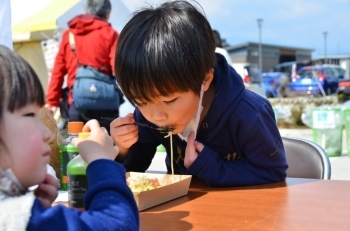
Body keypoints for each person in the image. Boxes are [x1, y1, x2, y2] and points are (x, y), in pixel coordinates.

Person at [110, 0, 288, 187]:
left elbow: (273, 170)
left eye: (169, 100)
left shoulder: (249, 114)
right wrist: (123, 149)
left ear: (205, 79)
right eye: (141, 101)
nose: (156, 116)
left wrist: (211, 167)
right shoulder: (149, 112)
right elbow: (134, 168)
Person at [0, 45, 138, 230]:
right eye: (29, 115)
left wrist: (38, 210)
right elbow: (118, 224)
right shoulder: (14, 216)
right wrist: (102, 162)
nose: (47, 134)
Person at [45, 0, 121, 133]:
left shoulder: (70, 35)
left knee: (76, 146)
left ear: (87, 11)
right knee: (109, 146)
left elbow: (58, 70)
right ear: (107, 13)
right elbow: (119, 69)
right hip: (106, 103)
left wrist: (52, 101)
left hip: (76, 104)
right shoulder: (110, 34)